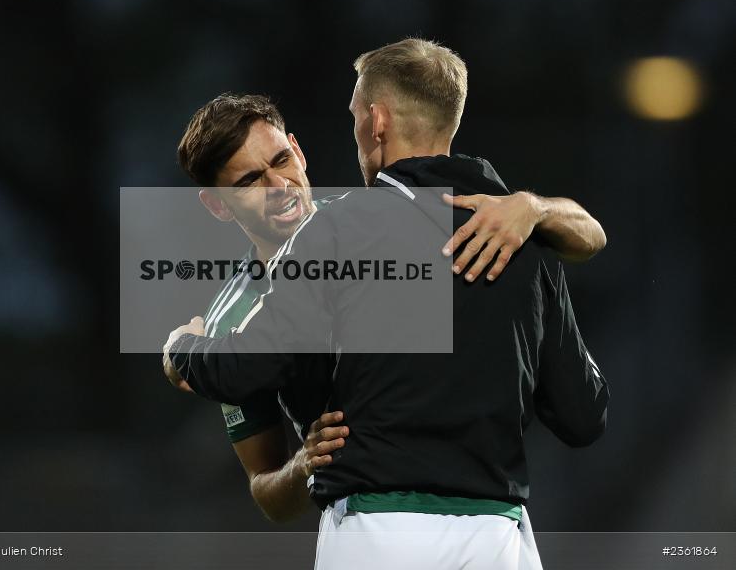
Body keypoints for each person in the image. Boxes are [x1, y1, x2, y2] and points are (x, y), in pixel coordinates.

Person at [165, 39, 609, 569]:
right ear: (217, 205)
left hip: (380, 529)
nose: (279, 185)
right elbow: (266, 489)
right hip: (498, 533)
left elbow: (237, 369)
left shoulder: (340, 229)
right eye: (249, 183)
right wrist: (302, 465)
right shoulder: (516, 235)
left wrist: (181, 350)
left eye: (281, 160)